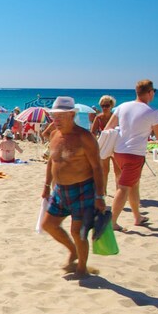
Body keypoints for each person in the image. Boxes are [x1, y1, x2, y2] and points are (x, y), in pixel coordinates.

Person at [40, 96, 106, 279]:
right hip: (59, 190)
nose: (56, 120)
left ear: (72, 114)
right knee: (48, 225)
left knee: (78, 232)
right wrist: (46, 185)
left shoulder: (85, 137)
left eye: (60, 116)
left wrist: (100, 196)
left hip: (83, 188)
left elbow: (97, 167)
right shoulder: (54, 135)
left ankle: (82, 269)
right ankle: (73, 250)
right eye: (54, 115)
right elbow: (51, 162)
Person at [103, 80, 158, 231]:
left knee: (133, 184)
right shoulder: (153, 112)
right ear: (150, 92)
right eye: (153, 91)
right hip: (134, 155)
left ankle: (137, 217)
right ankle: (112, 222)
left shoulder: (122, 107)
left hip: (118, 153)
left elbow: (109, 128)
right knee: (123, 188)